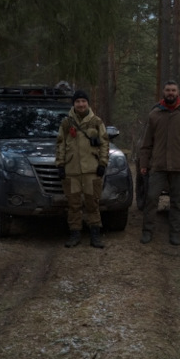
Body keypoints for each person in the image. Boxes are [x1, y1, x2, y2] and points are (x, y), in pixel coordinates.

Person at [138, 80, 180, 246]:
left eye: (173, 90)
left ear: (178, 92)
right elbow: (146, 143)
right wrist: (144, 163)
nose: (170, 93)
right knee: (151, 198)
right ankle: (147, 231)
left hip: (179, 166)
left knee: (177, 201)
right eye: (168, 90)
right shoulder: (154, 115)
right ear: (163, 92)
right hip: (158, 165)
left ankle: (174, 233)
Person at [54, 90, 109, 248]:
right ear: (74, 103)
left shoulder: (96, 122)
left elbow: (105, 143)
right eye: (77, 101)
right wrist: (60, 164)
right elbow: (60, 144)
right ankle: (75, 234)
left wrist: (103, 163)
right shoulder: (66, 123)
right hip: (72, 171)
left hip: (92, 170)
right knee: (74, 204)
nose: (81, 104)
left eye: (83, 101)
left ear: (88, 103)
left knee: (93, 203)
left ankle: (95, 235)